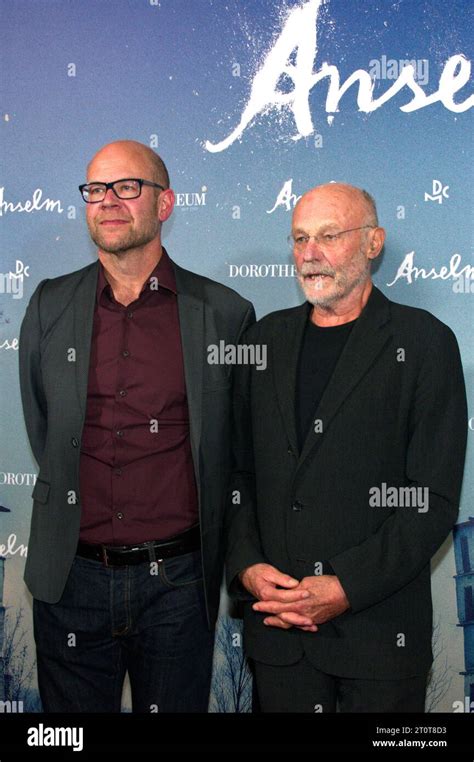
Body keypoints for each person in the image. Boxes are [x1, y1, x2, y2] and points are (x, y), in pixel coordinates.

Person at [19, 139, 255, 712]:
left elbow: (240, 454)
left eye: (128, 187)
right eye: (96, 189)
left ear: (165, 203)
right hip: (70, 581)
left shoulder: (225, 313)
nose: (108, 201)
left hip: (177, 586)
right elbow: (44, 424)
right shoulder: (50, 305)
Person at [226, 182, 467, 712]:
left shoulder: (425, 343)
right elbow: (238, 475)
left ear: (373, 242)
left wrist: (345, 587)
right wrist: (246, 566)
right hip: (278, 636)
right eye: (299, 239)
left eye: (328, 236)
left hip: (380, 641)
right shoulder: (262, 343)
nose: (309, 254)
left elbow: (431, 501)